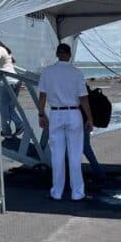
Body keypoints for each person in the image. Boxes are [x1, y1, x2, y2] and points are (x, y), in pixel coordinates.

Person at [38, 42, 93, 201]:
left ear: (57, 54)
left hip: (55, 114)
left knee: (57, 155)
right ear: (68, 55)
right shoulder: (76, 73)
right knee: (75, 154)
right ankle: (77, 193)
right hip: (73, 113)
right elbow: (83, 98)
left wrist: (41, 114)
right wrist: (89, 117)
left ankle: (57, 192)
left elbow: (42, 96)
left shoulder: (47, 72)